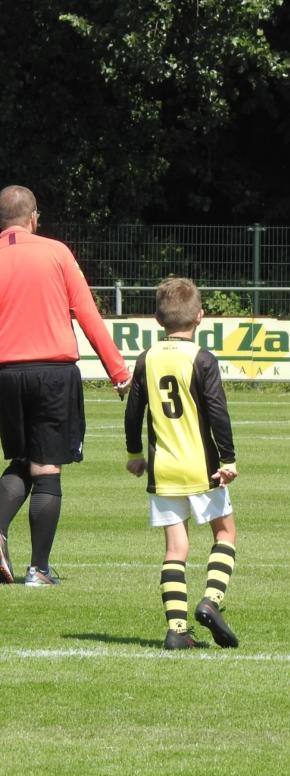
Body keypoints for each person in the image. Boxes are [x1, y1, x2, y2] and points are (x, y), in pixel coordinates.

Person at [0, 184, 131, 587]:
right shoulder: (56, 252)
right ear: (34, 216)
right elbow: (87, 314)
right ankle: (38, 569)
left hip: (5, 373)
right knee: (47, 469)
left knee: (21, 460)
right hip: (53, 372)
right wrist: (118, 371)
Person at [124, 278, 240, 650]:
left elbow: (133, 412)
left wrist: (134, 454)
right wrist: (228, 459)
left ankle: (177, 629)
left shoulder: (148, 359)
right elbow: (217, 413)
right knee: (225, 534)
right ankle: (211, 601)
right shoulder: (202, 359)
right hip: (201, 466)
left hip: (163, 469)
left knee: (176, 549)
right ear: (200, 317)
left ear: (159, 320)